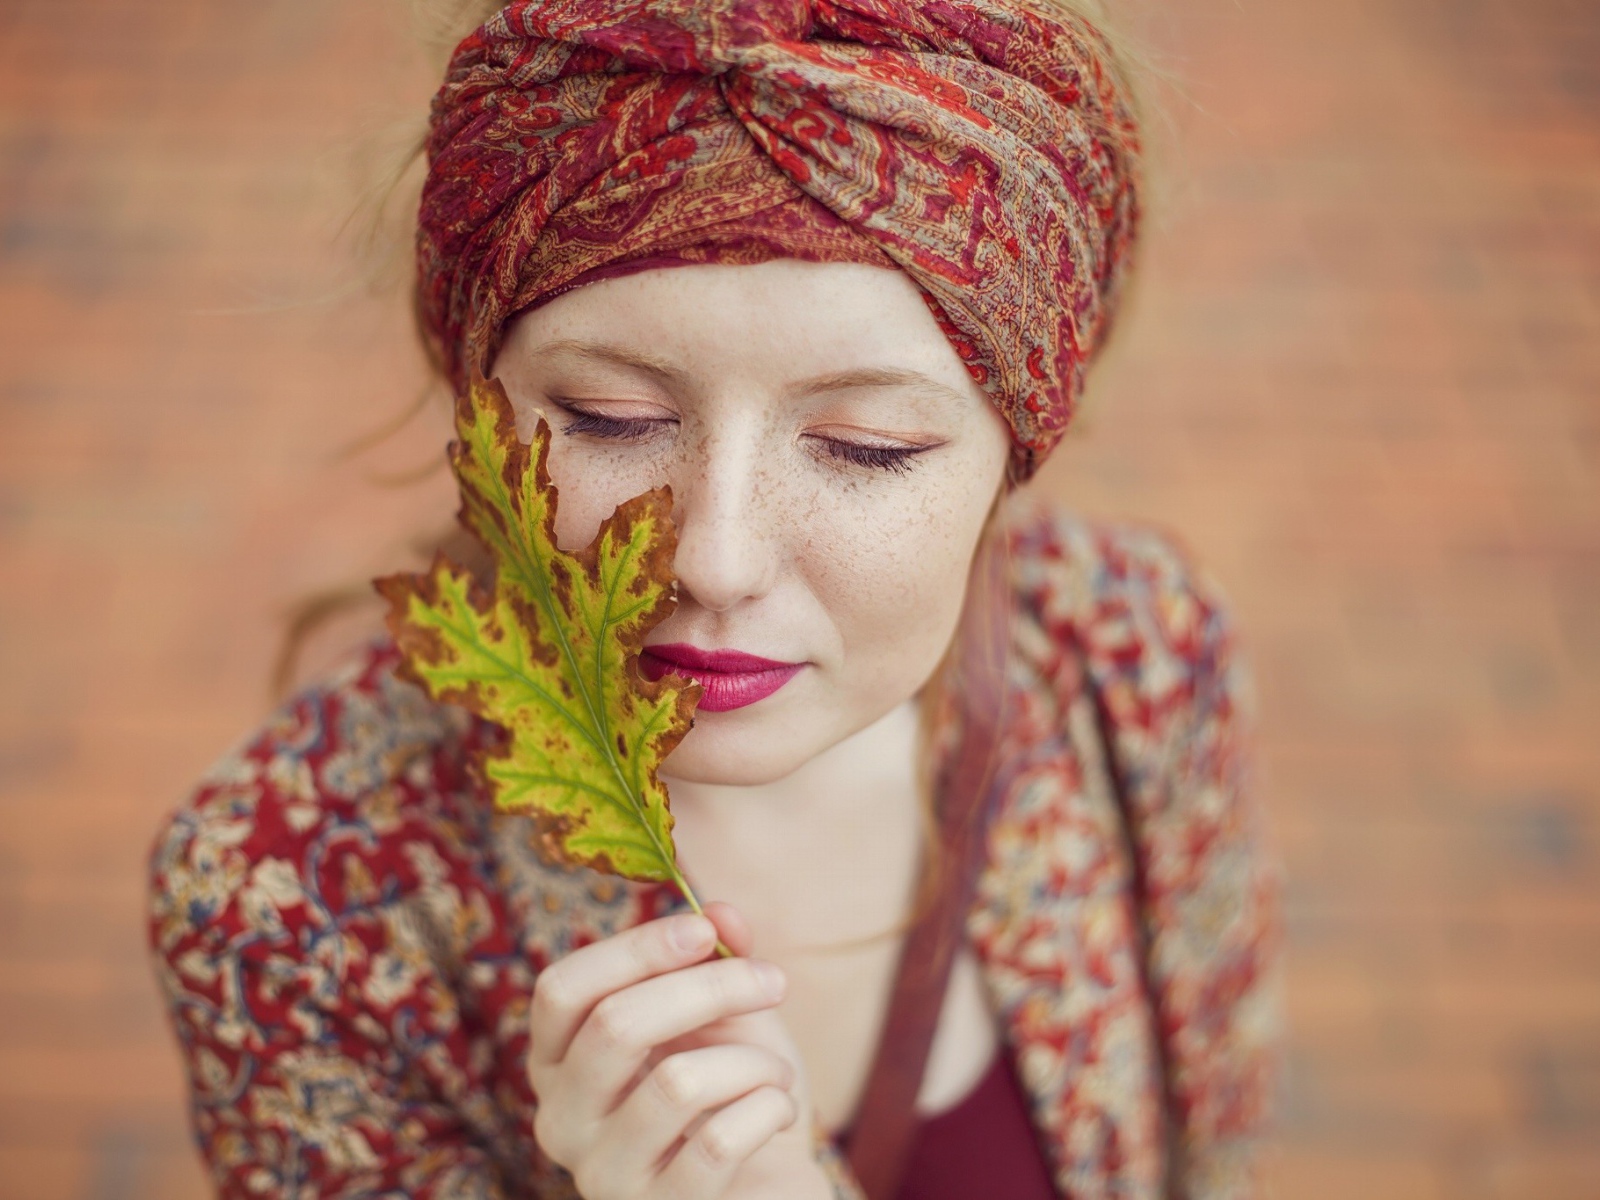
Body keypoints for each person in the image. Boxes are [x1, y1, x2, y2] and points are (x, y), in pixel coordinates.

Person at [147, 0, 1280, 1197]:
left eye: (866, 444)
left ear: (1017, 444)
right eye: (611, 421)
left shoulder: (1136, 656)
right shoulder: (289, 897)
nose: (716, 558)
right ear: (479, 399)